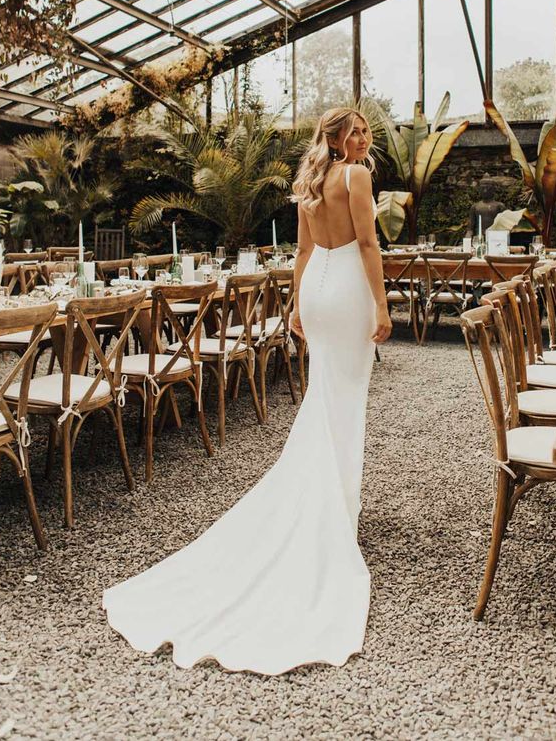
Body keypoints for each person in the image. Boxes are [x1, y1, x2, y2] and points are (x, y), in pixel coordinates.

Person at [103, 107, 391, 675]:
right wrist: (382, 305)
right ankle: (338, 510)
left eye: (364, 133)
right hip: (348, 290)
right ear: (332, 138)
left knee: (326, 393)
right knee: (344, 397)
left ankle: (334, 499)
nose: (361, 141)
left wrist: (295, 305)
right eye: (352, 133)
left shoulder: (308, 182)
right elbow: (366, 245)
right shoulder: (356, 178)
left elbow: (306, 253)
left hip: (317, 291)